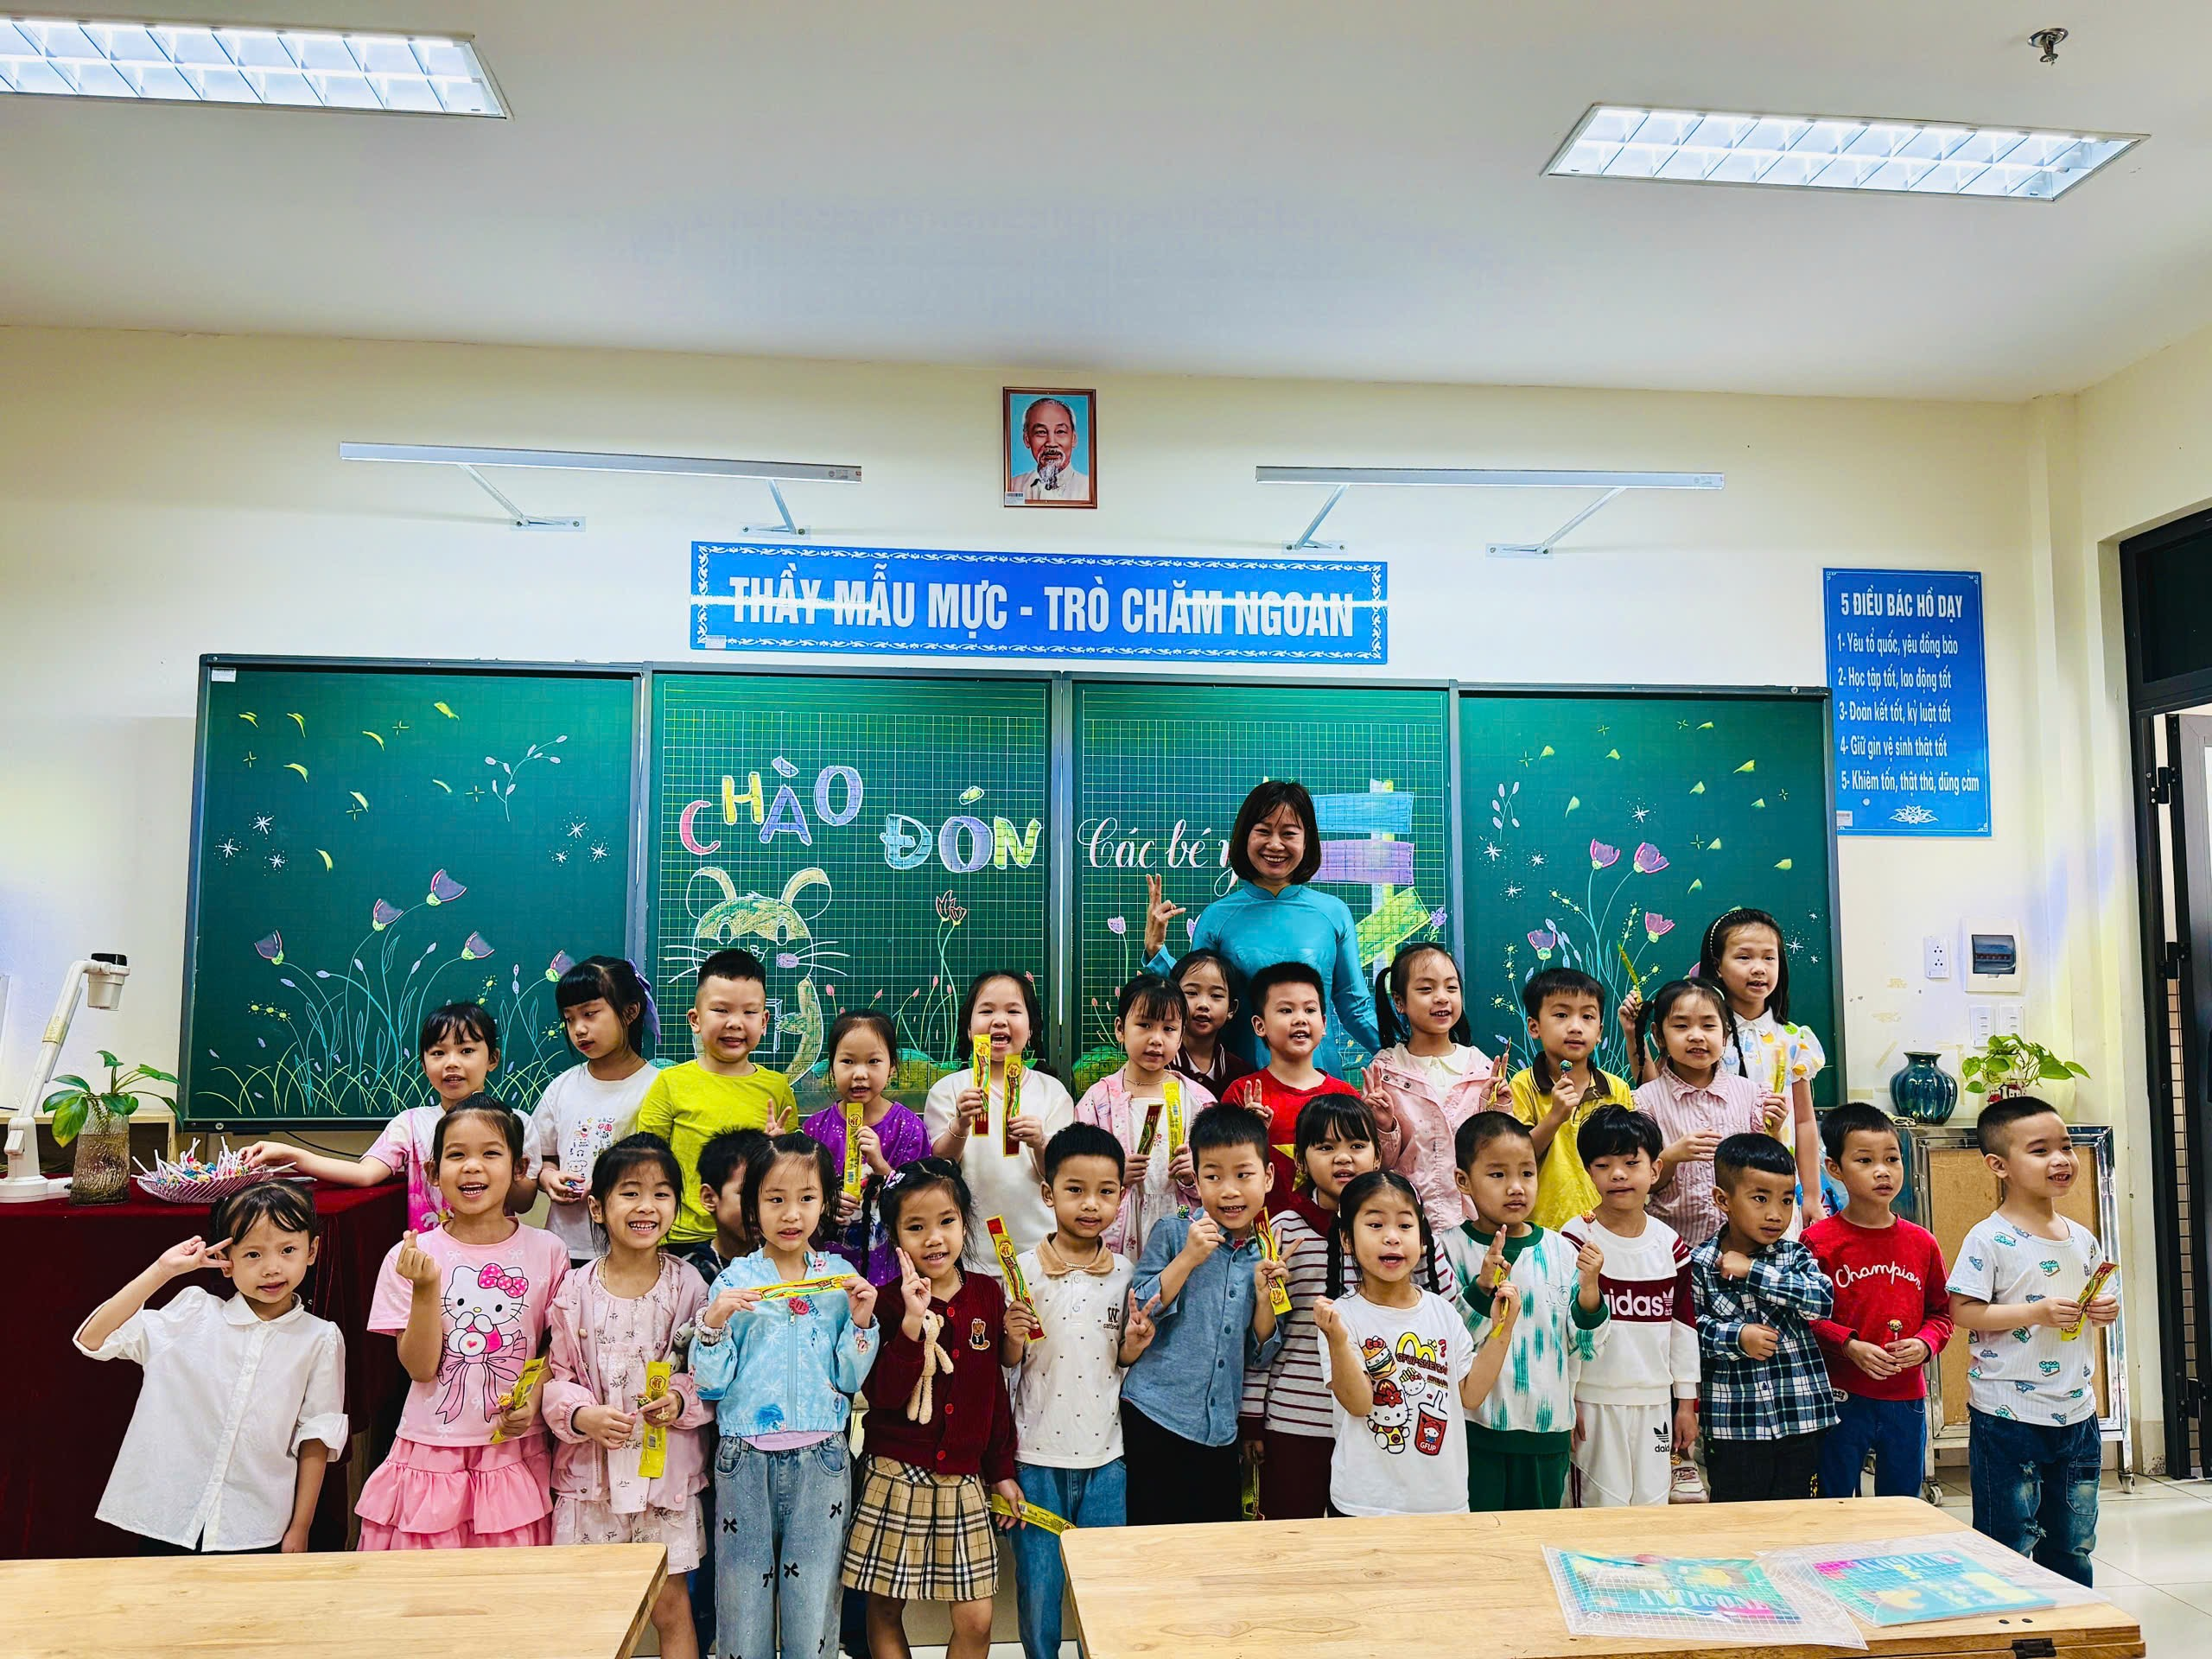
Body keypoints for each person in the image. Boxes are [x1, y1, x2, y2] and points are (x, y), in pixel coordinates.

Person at [73, 1181, 345, 1554]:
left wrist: (300, 1527)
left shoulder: (320, 1338)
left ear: (311, 1250)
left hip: (256, 1526)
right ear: (226, 1260)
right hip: (169, 1518)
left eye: (288, 1250)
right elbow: (93, 1339)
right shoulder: (193, 1314)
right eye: (253, 1254)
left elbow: (316, 1437)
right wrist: (162, 1271)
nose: (272, 1268)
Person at [696, 1135, 881, 1659]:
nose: (791, 1214)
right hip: (744, 1458)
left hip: (823, 1457)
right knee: (742, 1601)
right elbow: (711, 1385)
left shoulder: (841, 1280)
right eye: (775, 1199)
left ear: (825, 1203)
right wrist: (714, 1324)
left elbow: (849, 1379)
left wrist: (861, 1322)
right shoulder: (734, 1280)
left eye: (806, 1198)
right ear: (753, 1205)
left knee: (814, 1600)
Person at [357, 1100, 568, 1548]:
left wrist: (532, 1400)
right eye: (456, 1155)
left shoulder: (549, 1251)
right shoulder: (409, 1256)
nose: (473, 1166)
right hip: (431, 1451)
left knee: (507, 1582)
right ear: (434, 1172)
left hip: (512, 1451)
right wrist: (426, 1287)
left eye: (491, 1153)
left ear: (520, 1168)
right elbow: (419, 1369)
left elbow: (557, 1348)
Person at [842, 1160, 1023, 1659]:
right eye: (916, 1227)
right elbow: (882, 1395)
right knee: (883, 1609)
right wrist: (910, 1322)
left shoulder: (987, 1293)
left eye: (946, 1221)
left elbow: (992, 1393)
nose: (934, 1238)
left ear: (964, 1221)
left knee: (976, 1620)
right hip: (894, 1474)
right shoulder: (884, 1302)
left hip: (964, 1478)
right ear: (894, 1235)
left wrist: (1001, 1471)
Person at [543, 1135, 711, 1659]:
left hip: (664, 1482)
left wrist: (680, 1401)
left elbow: (708, 1372)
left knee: (671, 1605)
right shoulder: (574, 1290)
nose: (646, 1206)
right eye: (630, 1192)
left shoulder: (689, 1286)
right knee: (589, 1607)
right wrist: (581, 1415)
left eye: (661, 1194)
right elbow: (556, 1375)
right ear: (598, 1207)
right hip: (591, 1482)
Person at [1948, 1098, 2115, 1585]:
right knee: (2008, 1538)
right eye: (2040, 1151)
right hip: (2008, 1415)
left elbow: (2095, 1298)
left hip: (2077, 1411)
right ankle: (2009, 1620)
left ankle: (2072, 1617)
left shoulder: (2082, 1237)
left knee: (2073, 1540)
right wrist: (2035, 1313)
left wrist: (2104, 1309)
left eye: (2066, 1147)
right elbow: (1963, 1310)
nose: (2060, 1160)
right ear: (1998, 1165)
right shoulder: (1988, 1238)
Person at [1008, 1125, 1159, 1659]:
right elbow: (1009, 1363)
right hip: (1035, 1458)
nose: (1091, 1204)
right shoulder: (1021, 1271)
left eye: (1105, 1191)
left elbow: (1118, 1360)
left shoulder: (1126, 1274)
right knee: (1039, 1589)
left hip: (1106, 1459)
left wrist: (1134, 1346)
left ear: (1122, 1196)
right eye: (1075, 1189)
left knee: (1104, 1589)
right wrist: (1011, 1335)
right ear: (1048, 1194)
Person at [1121, 1104, 1292, 1524]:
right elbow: (1139, 1309)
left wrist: (1265, 1298)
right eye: (1213, 1176)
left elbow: (1262, 1353)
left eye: (1244, 1174)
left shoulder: (1268, 1253)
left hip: (1220, 1431)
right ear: (1196, 1181)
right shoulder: (1174, 1231)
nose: (1229, 1191)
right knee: (1152, 1543)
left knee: (1214, 1545)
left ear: (1268, 1177)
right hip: (1155, 1415)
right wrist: (1188, 1258)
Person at [1141, 782, 1382, 1076]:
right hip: (1238, 1083)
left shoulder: (1334, 913)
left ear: (1307, 841)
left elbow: (1354, 1006)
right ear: (1245, 837)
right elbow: (1192, 1002)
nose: (1275, 845)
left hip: (1319, 1083)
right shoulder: (1217, 917)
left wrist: (1407, 1052)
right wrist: (1156, 953)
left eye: (1289, 833)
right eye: (1264, 831)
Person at [1313, 1170, 1516, 1516]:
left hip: (1442, 1502)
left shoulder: (1442, 1312)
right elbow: (1359, 1404)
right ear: (1347, 1239)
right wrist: (1337, 1340)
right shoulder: (1341, 1317)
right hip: (1365, 1504)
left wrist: (1503, 1331)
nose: (1392, 1237)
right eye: (1375, 1225)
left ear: (1423, 1241)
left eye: (1405, 1226)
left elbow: (1470, 1394)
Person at [1440, 1111, 1609, 1512]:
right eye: (1497, 1174)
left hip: (1546, 1433)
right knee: (1478, 1539)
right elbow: (1445, 1344)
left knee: (1537, 1539)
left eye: (1527, 1173)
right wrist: (1482, 1288)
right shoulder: (1447, 1249)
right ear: (1463, 1181)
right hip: (1473, 1432)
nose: (1516, 1187)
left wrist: (1590, 1290)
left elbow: (1584, 1347)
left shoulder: (1560, 1249)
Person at [1239, 1095, 1385, 1520]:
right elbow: (1262, 1338)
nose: (1343, 1157)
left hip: (1376, 1422)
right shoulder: (1283, 1231)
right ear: (1300, 1160)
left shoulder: (1392, 1233)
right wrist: (1252, 1417)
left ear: (1377, 1156)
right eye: (1325, 1147)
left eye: (1357, 1145)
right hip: (1294, 1420)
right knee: (1290, 1539)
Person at [244, 1001, 506, 1232]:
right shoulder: (410, 1124)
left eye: (466, 1051)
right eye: (438, 1053)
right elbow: (365, 1174)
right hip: (428, 1258)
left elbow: (523, 1197)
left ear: (492, 1059)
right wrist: (292, 1156)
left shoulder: (513, 1122)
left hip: (499, 1253)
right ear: (424, 1065)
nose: (451, 1063)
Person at [1806, 1103, 1953, 1501]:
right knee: (1835, 1500)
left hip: (1906, 1397)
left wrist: (1925, 1343)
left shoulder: (1922, 1242)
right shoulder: (1819, 1242)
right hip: (1839, 1394)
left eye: (1892, 1159)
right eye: (1865, 1160)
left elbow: (1942, 1313)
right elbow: (1804, 1318)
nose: (1882, 1171)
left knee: (1902, 1503)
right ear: (1834, 1169)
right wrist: (1848, 1344)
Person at [1558, 1107, 1699, 1507]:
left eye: (1631, 1163)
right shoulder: (1574, 1238)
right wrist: (1568, 1399)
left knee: (1652, 1507)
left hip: (1654, 1401)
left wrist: (1685, 1404)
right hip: (1593, 1403)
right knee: (1600, 1509)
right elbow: (1562, 1330)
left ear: (1655, 1170)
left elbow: (1682, 1329)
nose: (1618, 1175)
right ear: (1589, 1172)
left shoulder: (1670, 1245)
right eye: (1603, 1165)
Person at [1691, 1134, 1836, 1503]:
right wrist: (1737, 1338)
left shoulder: (1794, 1256)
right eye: (1760, 1198)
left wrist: (1753, 1271)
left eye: (1787, 1200)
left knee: (1800, 1519)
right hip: (1735, 1426)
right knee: (1738, 1519)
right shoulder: (1700, 1264)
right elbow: (1690, 1332)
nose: (1776, 1213)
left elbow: (1821, 1301)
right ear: (1722, 1199)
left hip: (1801, 1418)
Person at [636, 949, 798, 1249]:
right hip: (683, 1238)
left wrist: (779, 1151)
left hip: (756, 1238)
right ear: (695, 1019)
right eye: (721, 1010)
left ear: (764, 1022)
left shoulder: (777, 1088)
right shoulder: (670, 1083)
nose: (735, 1023)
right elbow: (647, 1162)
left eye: (749, 1013)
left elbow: (793, 1174)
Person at [924, 969, 1075, 1270]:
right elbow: (939, 1166)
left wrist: (1040, 1142)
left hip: (1039, 1247)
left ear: (1030, 1029)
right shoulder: (948, 1090)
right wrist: (960, 1125)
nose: (999, 1020)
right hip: (967, 1249)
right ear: (969, 1029)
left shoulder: (1052, 1092)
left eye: (1013, 1011)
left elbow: (1064, 1175)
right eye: (987, 1011)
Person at [1699, 908, 1827, 1227]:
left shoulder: (1794, 1040)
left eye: (1769, 958)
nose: (1759, 968)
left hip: (1778, 1193)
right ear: (1717, 966)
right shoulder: (1703, 1037)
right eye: (1744, 957)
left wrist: (1812, 1196)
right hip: (1714, 1190)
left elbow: (1804, 1122)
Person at [527, 957, 660, 1264]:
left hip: (633, 1247)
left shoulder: (657, 1087)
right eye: (569, 1019)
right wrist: (549, 1178)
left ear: (630, 1012)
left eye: (590, 1014)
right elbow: (542, 1156)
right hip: (566, 1246)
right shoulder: (562, 1088)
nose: (579, 1029)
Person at [1364, 941, 1503, 1232]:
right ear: (1400, 1002)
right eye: (1426, 989)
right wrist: (1384, 1126)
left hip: (1475, 1225)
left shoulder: (1482, 1068)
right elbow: (1377, 1165)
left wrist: (1500, 1110)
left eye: (1451, 988)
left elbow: (1500, 1154)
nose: (1441, 998)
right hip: (1408, 1226)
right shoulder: (1385, 1072)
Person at [1631, 978, 1778, 1249]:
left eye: (1708, 1026)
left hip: (1742, 1245)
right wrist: (1671, 1157)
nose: (1696, 1036)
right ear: (1659, 1036)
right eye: (1681, 1026)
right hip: (1673, 1246)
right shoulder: (1645, 1101)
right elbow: (1643, 1184)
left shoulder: (1750, 1095)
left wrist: (1775, 1131)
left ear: (1725, 1035)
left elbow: (1768, 1174)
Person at [1073, 973, 1211, 1258]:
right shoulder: (1098, 1101)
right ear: (1120, 1029)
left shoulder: (1198, 1101)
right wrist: (1113, 1177)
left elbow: (1221, 1173)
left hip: (1181, 1227)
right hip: (1118, 1231)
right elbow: (1074, 1168)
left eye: (1169, 1029)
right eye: (1145, 1025)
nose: (1156, 1039)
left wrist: (1195, 1174)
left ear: (1181, 1036)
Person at [802, 1010, 931, 1285]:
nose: (860, 1074)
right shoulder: (814, 1129)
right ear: (832, 1066)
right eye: (848, 1061)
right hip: (824, 1269)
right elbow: (797, 1196)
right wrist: (823, 1204)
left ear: (892, 1066)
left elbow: (922, 1200)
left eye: (873, 1062)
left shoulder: (908, 1128)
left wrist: (881, 1166)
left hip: (889, 1269)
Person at [1507, 968, 1637, 1230]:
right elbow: (1516, 1160)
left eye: (1587, 1016)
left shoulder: (1616, 1089)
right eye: (1561, 1015)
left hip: (1606, 1226)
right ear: (1534, 1027)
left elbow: (1630, 1159)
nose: (1576, 1027)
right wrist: (1555, 1117)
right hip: (1543, 1228)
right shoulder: (1522, 1085)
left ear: (1599, 1032)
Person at [1220, 960, 1362, 1169]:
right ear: (1260, 1025)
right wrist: (1248, 1131)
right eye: (1286, 1010)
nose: (1300, 1019)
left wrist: (1385, 1126)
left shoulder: (1345, 1095)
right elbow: (1222, 1163)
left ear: (1324, 1024)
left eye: (1310, 1010)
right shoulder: (1242, 1094)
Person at [681, 1128, 769, 1287]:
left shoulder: (782, 1260)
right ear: (709, 1198)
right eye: (747, 1194)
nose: (760, 1207)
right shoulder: (688, 1274)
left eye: (772, 1197)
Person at [1166, 949, 1254, 1096]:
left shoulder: (1242, 1074)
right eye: (1191, 993)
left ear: (1231, 1009)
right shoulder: (1160, 1064)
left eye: (1216, 995)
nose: (1203, 1004)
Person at [1007, 394, 1091, 503]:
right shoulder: (1013, 486)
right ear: (1027, 439)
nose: (1051, 443)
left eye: (1060, 431)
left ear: (1073, 439)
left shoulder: (1089, 489)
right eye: (1041, 432)